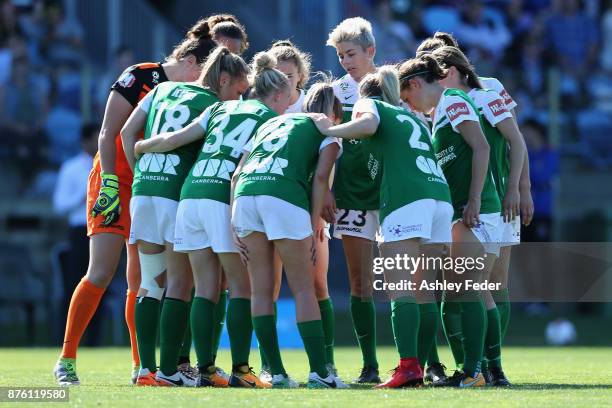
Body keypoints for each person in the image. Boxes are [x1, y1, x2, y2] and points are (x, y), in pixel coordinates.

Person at [53, 14, 249, 387]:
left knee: (140, 278)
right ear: (195, 60)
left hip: (155, 185)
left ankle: (141, 365)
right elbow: (110, 132)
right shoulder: (143, 75)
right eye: (218, 60)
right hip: (118, 178)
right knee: (100, 271)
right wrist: (111, 181)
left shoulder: (203, 97)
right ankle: (67, 358)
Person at [132, 50, 289, 389]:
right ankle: (242, 370)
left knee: (196, 286)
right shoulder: (269, 119)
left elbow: (175, 139)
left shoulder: (218, 107)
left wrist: (142, 148)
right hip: (221, 197)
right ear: (276, 95)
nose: (287, 109)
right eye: (287, 101)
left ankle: (176, 370)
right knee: (239, 286)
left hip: (189, 196)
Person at [312, 66, 453, 388]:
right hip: (439, 199)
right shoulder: (412, 118)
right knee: (425, 292)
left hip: (407, 199)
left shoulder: (370, 104)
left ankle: (408, 368)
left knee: (399, 288)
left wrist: (330, 130)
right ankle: (418, 367)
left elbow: (368, 123)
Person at [121, 46, 250, 387]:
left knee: (150, 283)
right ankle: (171, 369)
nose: (240, 98)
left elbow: (125, 133)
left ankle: (145, 370)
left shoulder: (161, 89)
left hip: (143, 190)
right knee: (181, 284)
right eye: (238, 90)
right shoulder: (216, 108)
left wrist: (140, 176)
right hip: (177, 195)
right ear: (223, 80)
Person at [415, 31, 534, 383]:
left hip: (492, 201)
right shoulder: (436, 103)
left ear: (448, 66)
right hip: (461, 203)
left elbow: (516, 139)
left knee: (491, 286)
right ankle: (473, 365)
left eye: (432, 67)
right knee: (461, 287)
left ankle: (483, 365)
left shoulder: (487, 91)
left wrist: (521, 187)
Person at [231, 82, 348, 389]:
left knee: (260, 290)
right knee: (303, 289)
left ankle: (275, 373)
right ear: (336, 113)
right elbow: (321, 177)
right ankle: (321, 373)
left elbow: (237, 173)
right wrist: (312, 225)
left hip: (245, 197)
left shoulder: (272, 122)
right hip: (282, 197)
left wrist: (233, 222)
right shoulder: (328, 128)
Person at [398, 54, 501, 388]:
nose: (409, 105)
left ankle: (475, 372)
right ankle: (476, 369)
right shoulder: (438, 114)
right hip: (462, 211)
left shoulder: (453, 101)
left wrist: (472, 200)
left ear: (415, 84)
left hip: (476, 209)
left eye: (407, 97)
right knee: (461, 293)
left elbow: (482, 147)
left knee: (469, 290)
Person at [265, 40, 339, 378]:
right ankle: (270, 367)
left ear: (301, 78)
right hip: (273, 203)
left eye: (290, 75)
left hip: (307, 207)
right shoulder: (263, 110)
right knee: (269, 286)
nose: (283, 81)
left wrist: (322, 201)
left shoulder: (312, 111)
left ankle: (326, 362)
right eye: (276, 75)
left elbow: (329, 153)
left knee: (317, 283)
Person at [326, 17, 381, 384]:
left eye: (351, 54)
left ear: (371, 51)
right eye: (341, 55)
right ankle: (370, 365)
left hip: (397, 195)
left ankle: (426, 362)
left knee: (416, 282)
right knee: (361, 284)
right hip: (352, 197)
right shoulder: (335, 92)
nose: (346, 61)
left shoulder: (393, 85)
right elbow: (326, 144)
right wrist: (325, 187)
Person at [53, 123, 99, 343]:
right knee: (74, 283)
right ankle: (67, 338)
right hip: (79, 230)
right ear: (85, 141)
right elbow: (60, 205)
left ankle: (95, 341)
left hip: (101, 228)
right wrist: (82, 197)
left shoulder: (108, 164)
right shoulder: (70, 168)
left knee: (100, 285)